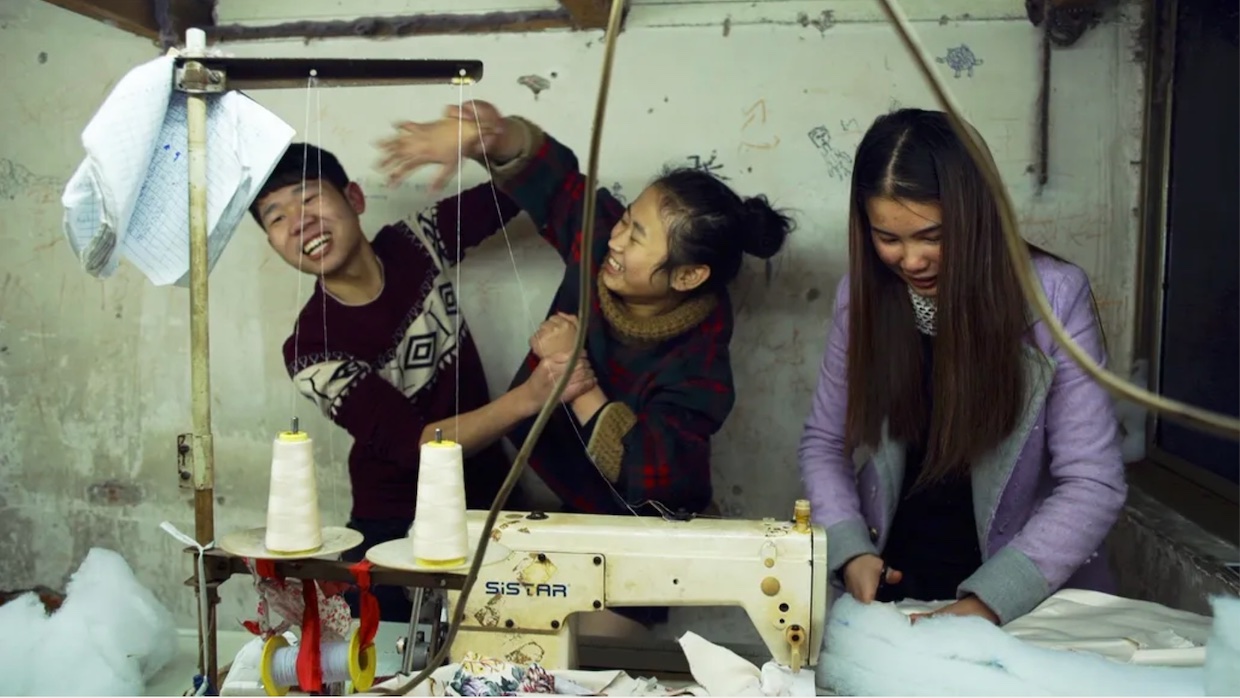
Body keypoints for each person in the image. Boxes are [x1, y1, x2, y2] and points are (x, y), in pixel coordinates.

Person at [377, 100, 794, 523]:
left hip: (651, 528)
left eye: (637, 238)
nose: (616, 241)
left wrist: (572, 373)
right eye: (626, 220)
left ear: (687, 277)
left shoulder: (700, 366)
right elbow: (555, 184)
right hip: (572, 505)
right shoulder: (598, 240)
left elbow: (651, 477)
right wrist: (493, 135)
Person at [797, 108, 1127, 627]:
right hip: (892, 599)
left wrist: (985, 604)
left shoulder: (1054, 298)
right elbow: (824, 442)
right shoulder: (860, 299)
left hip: (1019, 604)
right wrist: (850, 549)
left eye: (933, 235)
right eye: (889, 239)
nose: (912, 260)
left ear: (977, 216)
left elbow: (1093, 481)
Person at [250, 142, 578, 621]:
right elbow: (419, 445)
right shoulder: (309, 349)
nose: (299, 222)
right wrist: (529, 398)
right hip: (393, 531)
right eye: (276, 217)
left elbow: (544, 176)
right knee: (394, 670)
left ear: (355, 199)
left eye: (310, 198)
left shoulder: (413, 242)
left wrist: (486, 135)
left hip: (489, 504)